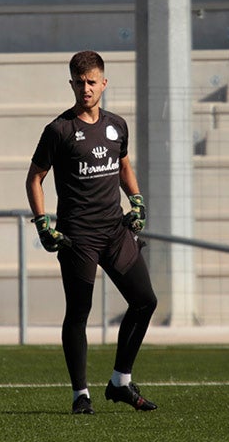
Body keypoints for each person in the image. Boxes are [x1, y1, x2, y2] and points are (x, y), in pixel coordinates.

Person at [25, 50, 159, 415]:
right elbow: (34, 178)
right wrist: (42, 223)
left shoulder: (117, 125)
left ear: (104, 83)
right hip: (77, 237)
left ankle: (120, 382)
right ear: (71, 84)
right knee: (78, 314)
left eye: (92, 82)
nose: (86, 88)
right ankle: (79, 394)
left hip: (115, 232)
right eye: (79, 82)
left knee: (145, 301)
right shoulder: (58, 130)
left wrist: (137, 200)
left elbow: (124, 167)